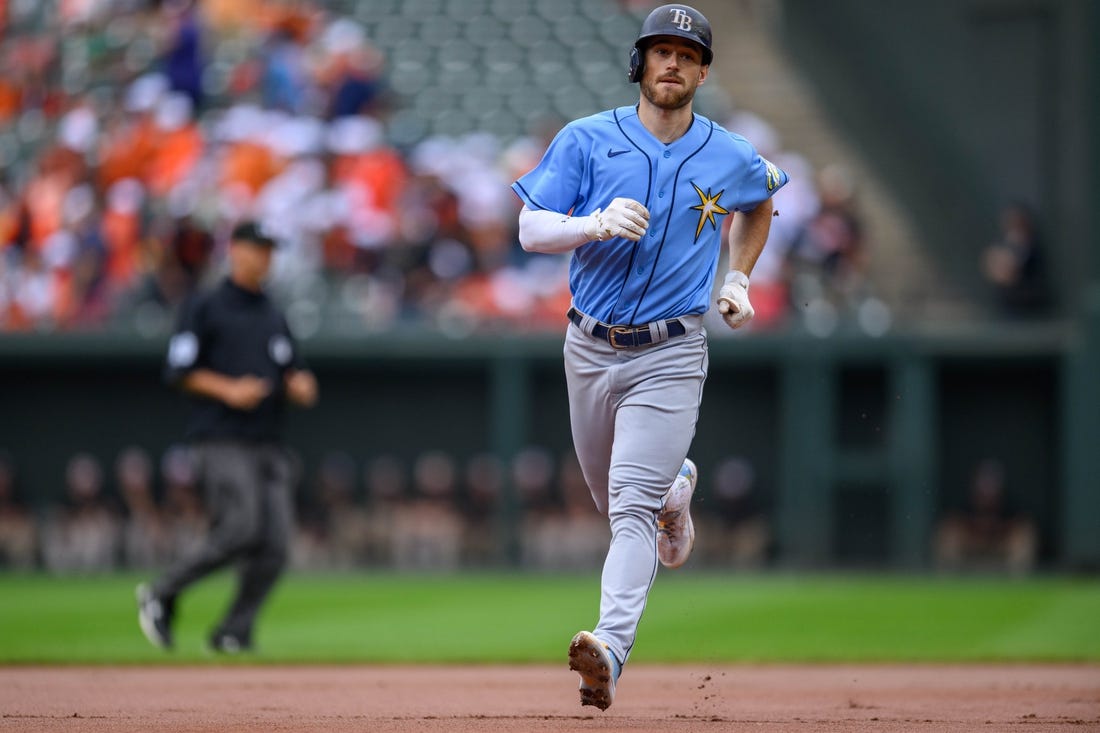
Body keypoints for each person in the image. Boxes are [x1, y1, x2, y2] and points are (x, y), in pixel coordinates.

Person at [511, 4, 787, 711]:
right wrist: (592, 223)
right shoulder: (587, 139)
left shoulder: (727, 150)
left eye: (686, 54)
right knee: (619, 504)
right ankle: (676, 490)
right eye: (660, 50)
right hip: (588, 345)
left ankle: (609, 646)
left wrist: (738, 277)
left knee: (627, 510)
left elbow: (760, 199)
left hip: (671, 350)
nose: (672, 63)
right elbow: (528, 227)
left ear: (702, 71)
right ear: (639, 63)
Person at [136, 219, 318, 653]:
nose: (266, 257)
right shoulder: (206, 305)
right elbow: (178, 370)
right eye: (258, 248)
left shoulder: (273, 312)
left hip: (267, 438)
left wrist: (301, 384)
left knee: (274, 546)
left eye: (271, 250)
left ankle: (234, 630)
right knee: (242, 526)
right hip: (219, 436)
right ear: (235, 250)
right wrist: (228, 389)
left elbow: (292, 368)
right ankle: (163, 591)